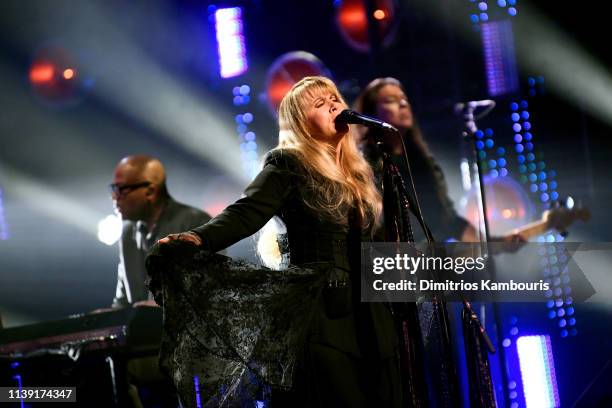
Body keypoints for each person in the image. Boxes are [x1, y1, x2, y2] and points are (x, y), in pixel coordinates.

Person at [157, 76, 403, 407]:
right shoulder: (289, 163)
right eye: (319, 103)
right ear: (301, 124)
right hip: (322, 319)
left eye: (334, 98)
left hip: (371, 320)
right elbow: (246, 212)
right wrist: (199, 237)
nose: (333, 104)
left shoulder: (362, 172)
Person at [110, 155, 211, 308]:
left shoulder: (195, 223)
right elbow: (123, 302)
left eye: (122, 189)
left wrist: (166, 308)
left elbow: (212, 289)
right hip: (145, 330)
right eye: (113, 189)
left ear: (150, 191)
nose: (114, 196)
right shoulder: (127, 233)